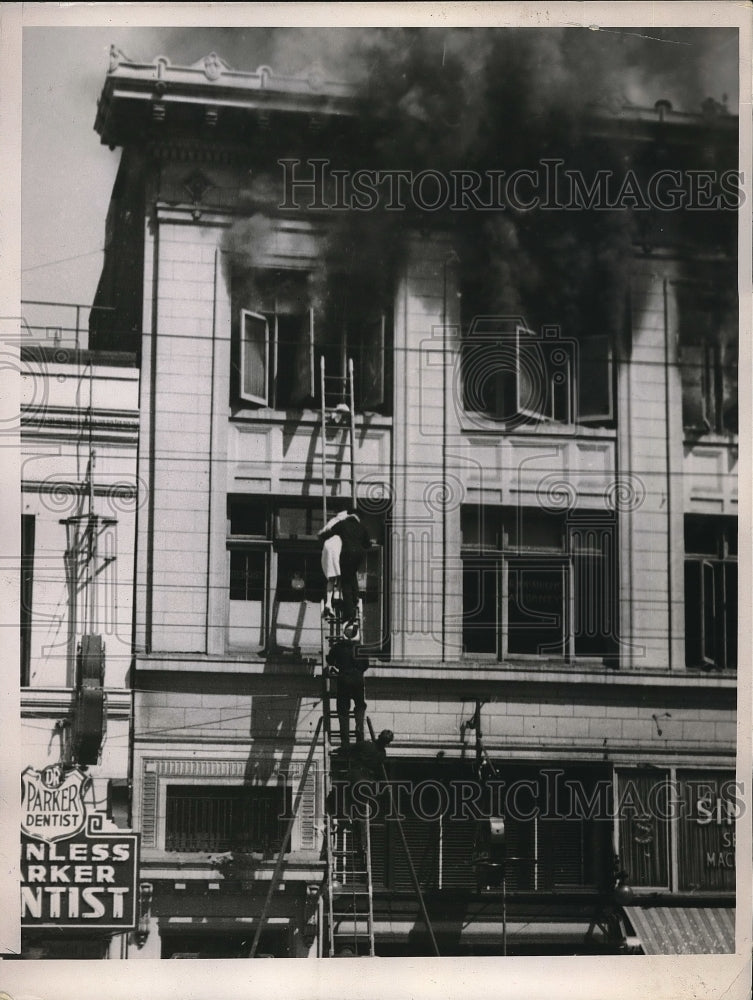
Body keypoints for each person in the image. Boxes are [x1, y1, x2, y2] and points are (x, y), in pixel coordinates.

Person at [318, 507, 371, 625]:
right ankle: (355, 597)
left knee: (346, 583)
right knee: (352, 575)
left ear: (350, 515)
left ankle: (348, 615)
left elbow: (329, 532)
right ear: (358, 518)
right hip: (359, 555)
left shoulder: (343, 524)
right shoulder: (362, 527)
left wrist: (321, 537)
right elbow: (367, 544)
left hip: (347, 554)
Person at [326, 637, 368, 749]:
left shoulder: (337, 647)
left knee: (343, 710)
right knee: (359, 706)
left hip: (344, 678)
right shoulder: (360, 648)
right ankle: (359, 730)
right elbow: (366, 665)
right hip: (358, 679)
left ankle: (345, 742)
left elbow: (330, 661)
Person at [319, 510, 347, 618]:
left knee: (331, 577)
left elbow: (321, 533)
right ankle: (336, 595)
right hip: (338, 546)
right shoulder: (346, 523)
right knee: (341, 573)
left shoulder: (332, 521)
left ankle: (328, 603)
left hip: (327, 546)